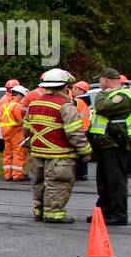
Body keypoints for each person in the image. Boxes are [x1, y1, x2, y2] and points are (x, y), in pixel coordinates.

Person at [23, 68, 92, 223]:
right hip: (60, 155)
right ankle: (54, 213)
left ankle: (39, 211)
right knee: (58, 184)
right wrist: (86, 151)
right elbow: (74, 133)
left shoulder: (34, 103)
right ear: (64, 87)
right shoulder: (65, 106)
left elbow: (26, 129)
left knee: (39, 183)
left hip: (37, 153)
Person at [89, 69, 131, 225]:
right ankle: (103, 211)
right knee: (104, 180)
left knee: (115, 180)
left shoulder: (124, 97)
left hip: (115, 143)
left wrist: (102, 95)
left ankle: (118, 214)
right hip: (105, 144)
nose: (100, 84)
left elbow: (102, 108)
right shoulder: (114, 95)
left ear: (106, 79)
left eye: (101, 80)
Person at [0, 79, 26, 181]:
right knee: (18, 152)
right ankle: (17, 175)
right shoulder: (16, 105)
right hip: (15, 131)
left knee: (7, 153)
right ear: (20, 95)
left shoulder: (4, 103)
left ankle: (8, 174)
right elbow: (20, 120)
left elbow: (0, 117)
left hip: (5, 131)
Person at [71, 80, 91, 181]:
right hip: (84, 128)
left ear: (82, 91)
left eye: (75, 89)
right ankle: (83, 174)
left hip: (77, 128)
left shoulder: (77, 101)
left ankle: (78, 174)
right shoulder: (86, 101)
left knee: (76, 153)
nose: (72, 90)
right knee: (82, 152)